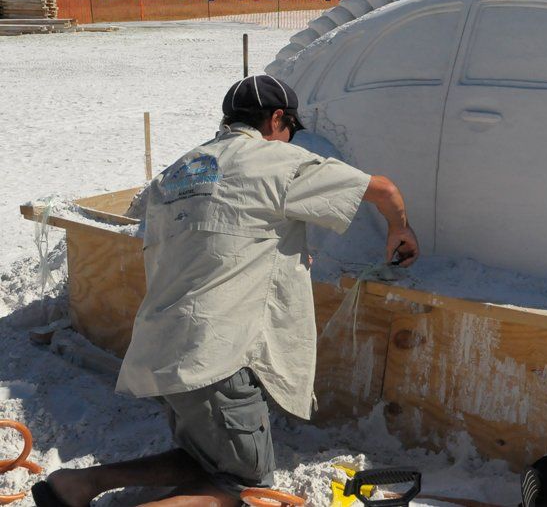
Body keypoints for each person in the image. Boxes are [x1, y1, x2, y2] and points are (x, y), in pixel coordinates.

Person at [34, 75, 419, 507]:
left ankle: (78, 485)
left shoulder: (180, 170)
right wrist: (400, 228)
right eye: (291, 129)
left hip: (162, 344)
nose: (290, 138)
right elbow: (382, 189)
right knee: (243, 485)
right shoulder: (277, 161)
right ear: (277, 119)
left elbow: (217, 236)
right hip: (217, 355)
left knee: (206, 459)